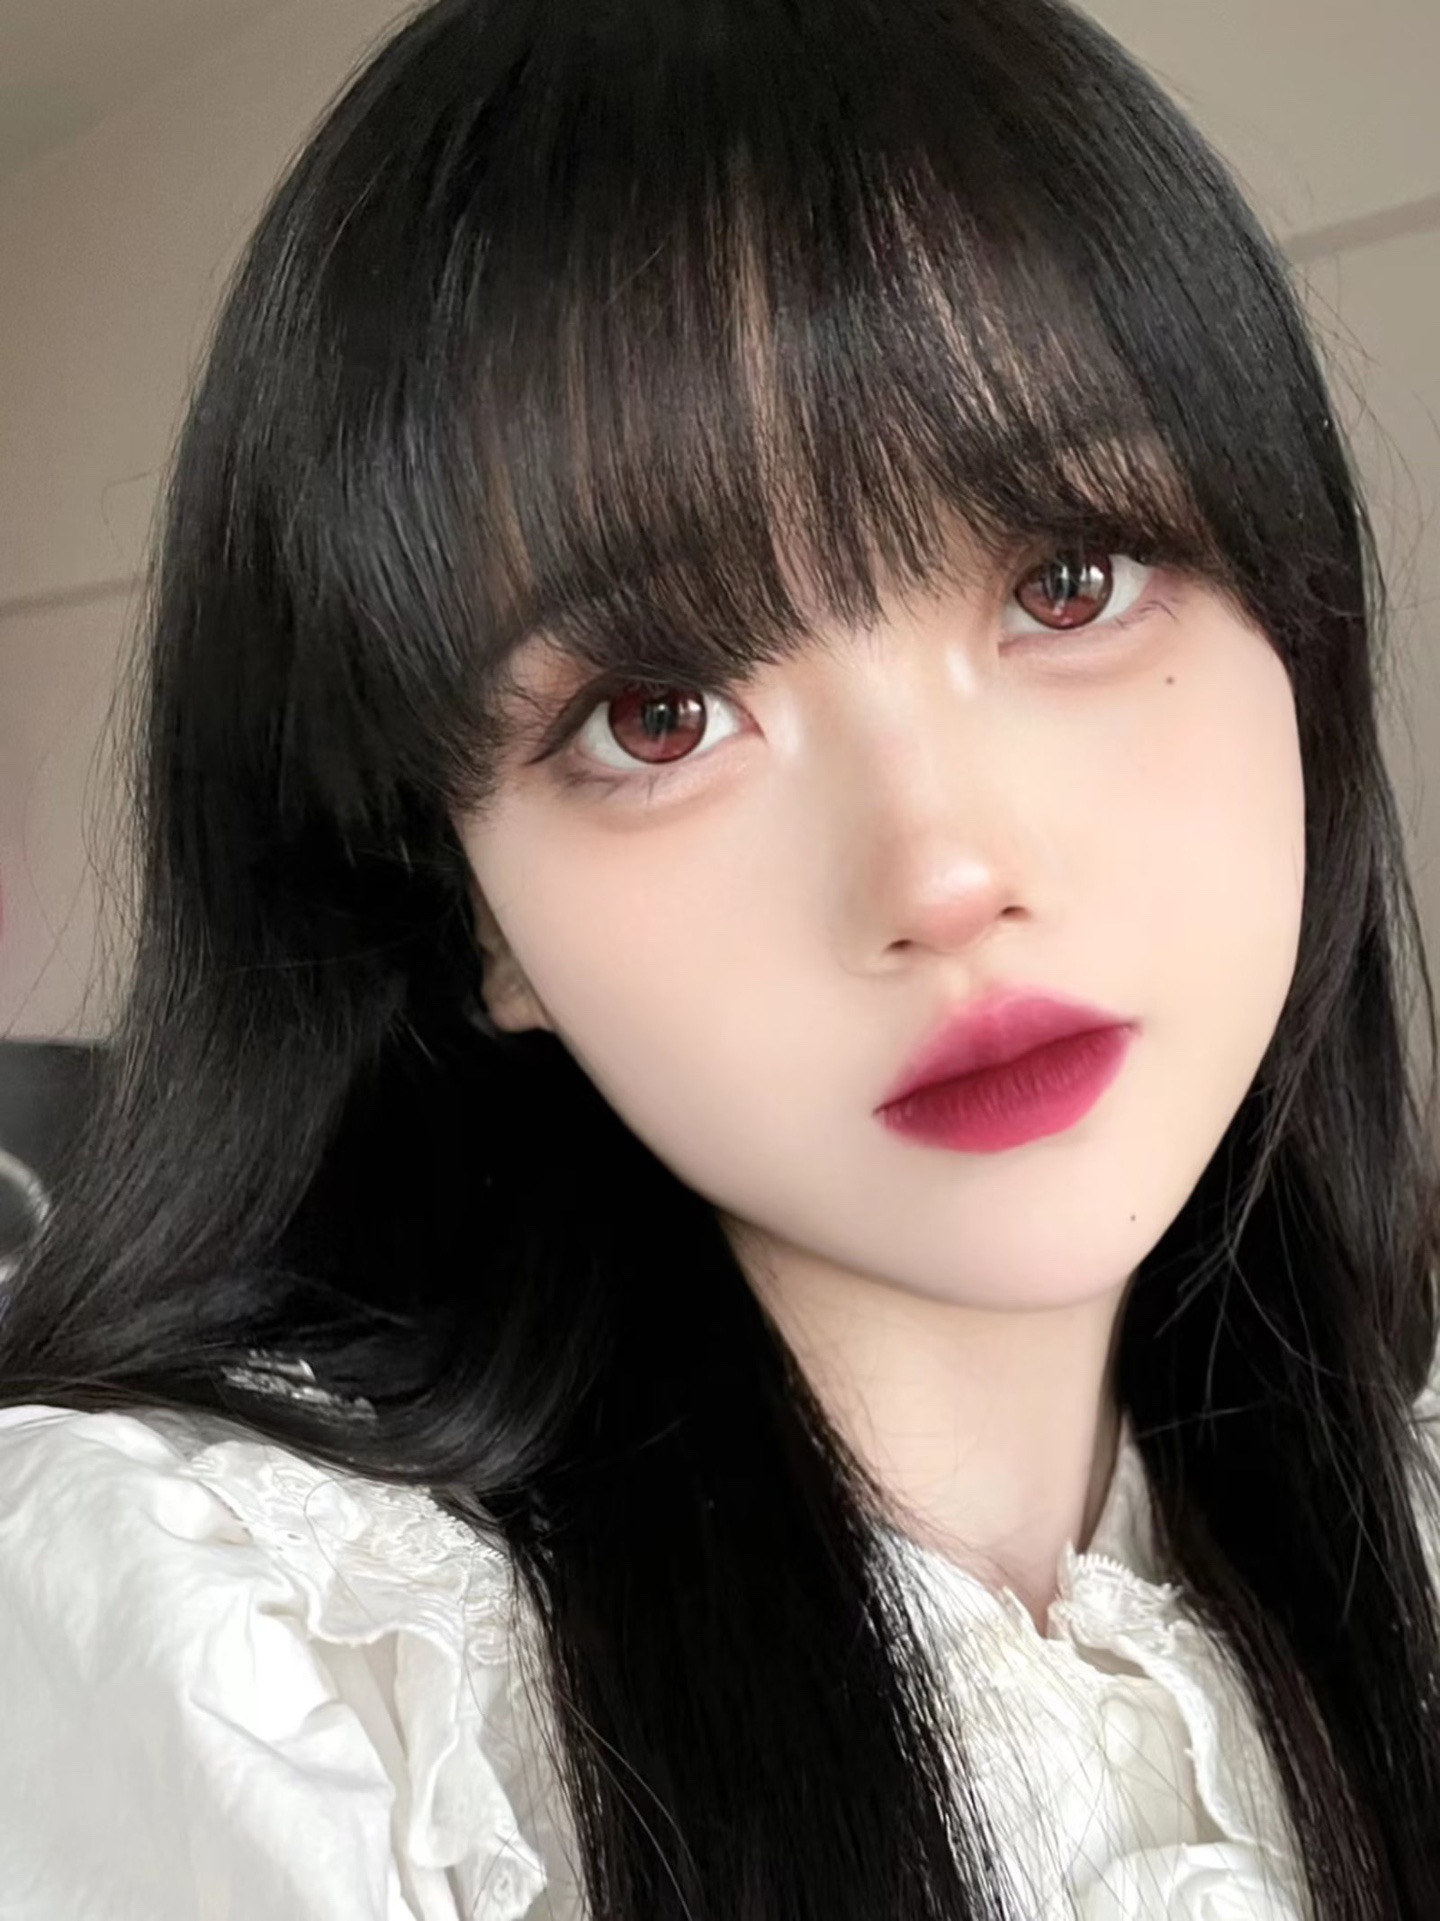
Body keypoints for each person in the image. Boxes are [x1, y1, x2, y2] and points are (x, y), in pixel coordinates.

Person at [1, 0, 1439, 1913]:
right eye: (660, 715)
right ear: (471, 915)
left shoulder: (1400, 1527)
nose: (946, 870)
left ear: (1304, 643)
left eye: (1068, 579)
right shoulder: (269, 1670)